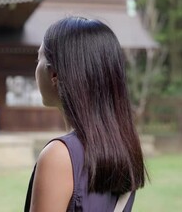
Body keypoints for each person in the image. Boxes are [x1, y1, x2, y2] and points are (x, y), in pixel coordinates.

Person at [24, 17, 147, 211]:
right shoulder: (124, 146)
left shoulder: (60, 156)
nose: (36, 67)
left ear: (54, 73)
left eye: (39, 58)